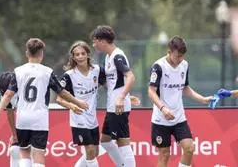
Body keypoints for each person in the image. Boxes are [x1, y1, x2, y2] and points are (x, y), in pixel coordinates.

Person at [0, 38, 88, 167]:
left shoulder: (18, 71)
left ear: (27, 53)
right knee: (39, 154)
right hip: (39, 118)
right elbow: (61, 92)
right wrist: (77, 102)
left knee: (24, 152)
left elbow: (8, 95)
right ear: (41, 53)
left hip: (23, 118)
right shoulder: (47, 72)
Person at [148, 36, 213, 167]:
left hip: (179, 118)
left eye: (182, 56)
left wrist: (203, 99)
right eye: (178, 56)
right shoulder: (158, 66)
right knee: (164, 155)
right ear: (169, 51)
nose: (180, 59)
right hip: (161, 119)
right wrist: (163, 108)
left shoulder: (184, 65)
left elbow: (185, 88)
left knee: (189, 148)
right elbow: (151, 91)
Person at [91, 25, 136, 167]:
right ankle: (121, 164)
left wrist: (122, 97)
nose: (94, 44)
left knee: (122, 141)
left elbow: (131, 76)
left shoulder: (117, 56)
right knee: (105, 140)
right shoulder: (108, 57)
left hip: (118, 107)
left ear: (102, 41)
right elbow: (114, 82)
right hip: (113, 106)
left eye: (95, 41)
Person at [55, 41, 106, 167]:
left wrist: (125, 97)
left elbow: (110, 87)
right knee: (89, 149)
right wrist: (73, 106)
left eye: (83, 53)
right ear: (73, 57)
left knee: (94, 152)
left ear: (88, 54)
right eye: (77, 54)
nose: (80, 57)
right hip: (78, 118)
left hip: (92, 118)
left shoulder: (97, 70)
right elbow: (59, 99)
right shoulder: (69, 76)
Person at [0, 71, 22, 167]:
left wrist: (19, 133)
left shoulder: (22, 93)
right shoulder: (6, 94)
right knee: (14, 150)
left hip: (35, 119)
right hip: (23, 119)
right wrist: (14, 134)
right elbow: (10, 112)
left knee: (28, 151)